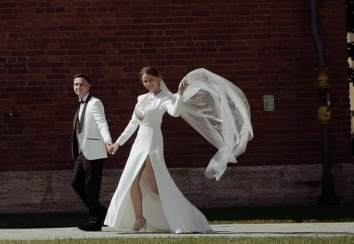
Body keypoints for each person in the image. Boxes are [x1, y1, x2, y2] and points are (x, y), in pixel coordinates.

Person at [104, 67, 252, 234]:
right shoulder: (141, 98)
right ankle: (139, 220)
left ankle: (183, 217)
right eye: (145, 81)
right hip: (139, 143)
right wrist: (118, 143)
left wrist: (180, 95)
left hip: (152, 142)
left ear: (158, 78)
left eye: (151, 80)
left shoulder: (166, 98)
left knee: (156, 186)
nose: (148, 83)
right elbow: (133, 123)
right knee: (131, 181)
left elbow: (175, 113)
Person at [70, 73, 112, 232]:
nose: (78, 87)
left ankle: (95, 221)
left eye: (81, 84)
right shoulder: (80, 104)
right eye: (76, 84)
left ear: (88, 86)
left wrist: (108, 141)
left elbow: (102, 123)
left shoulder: (95, 103)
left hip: (94, 151)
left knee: (91, 187)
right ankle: (100, 211)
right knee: (76, 183)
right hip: (82, 152)